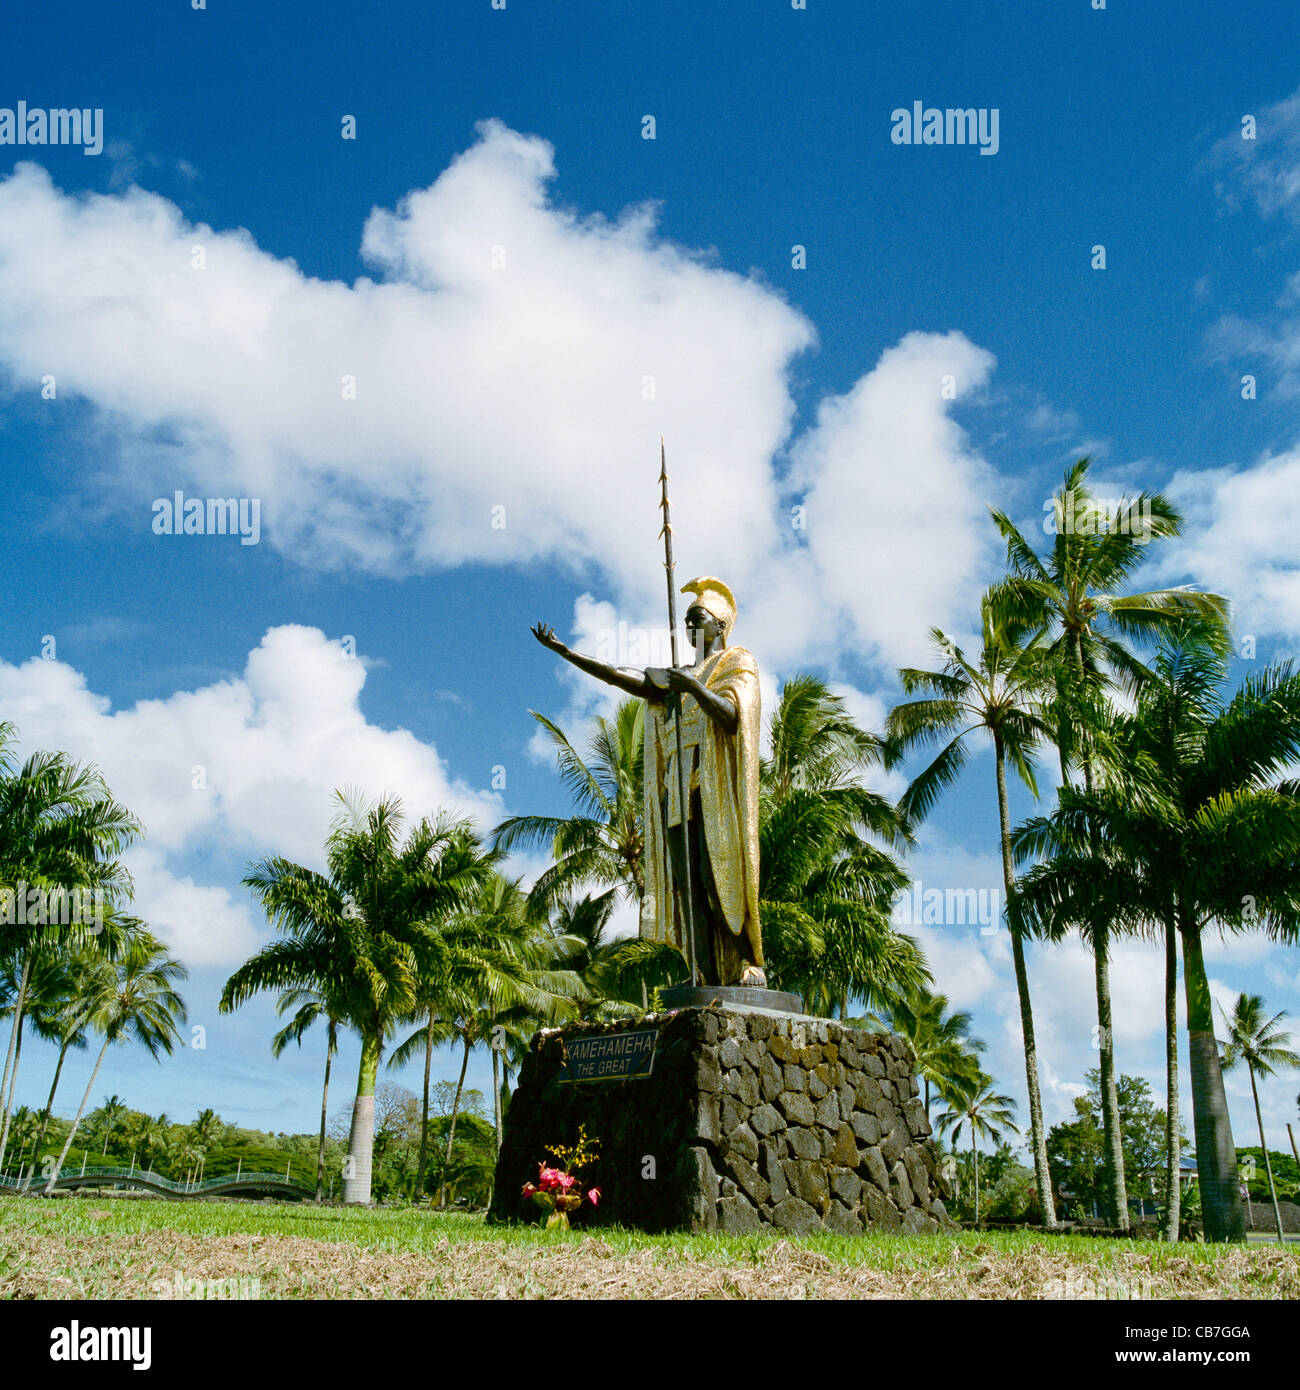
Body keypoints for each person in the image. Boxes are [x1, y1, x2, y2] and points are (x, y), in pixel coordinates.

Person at [532, 576, 765, 987]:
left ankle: (750, 962)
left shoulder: (736, 663)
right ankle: (702, 971)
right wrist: (567, 652)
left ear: (720, 626)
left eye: (700, 618)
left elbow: (733, 717)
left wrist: (692, 685)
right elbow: (622, 677)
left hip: (711, 787)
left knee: (719, 880)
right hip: (676, 792)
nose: (692, 627)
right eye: (688, 620)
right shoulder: (675, 677)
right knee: (687, 888)